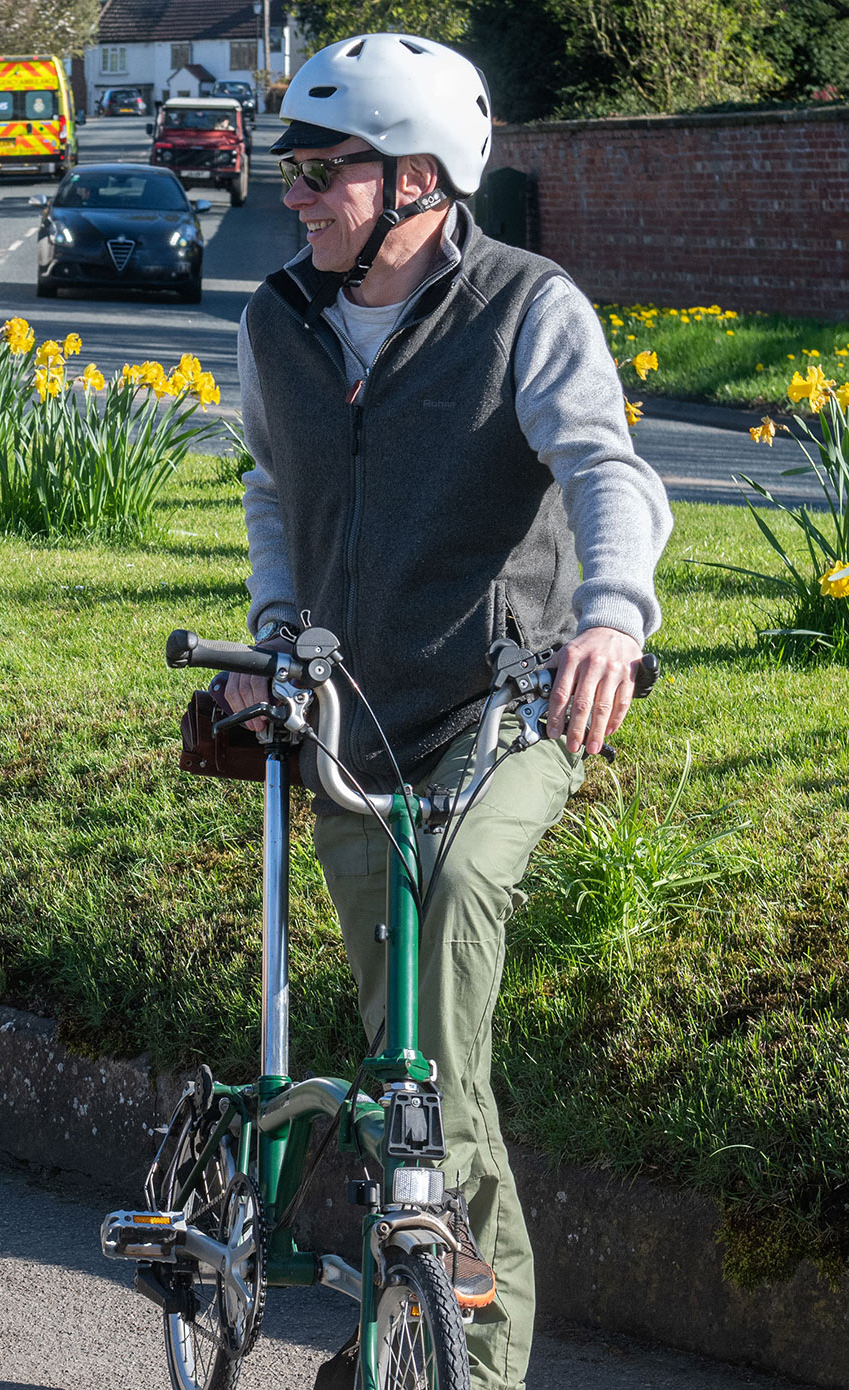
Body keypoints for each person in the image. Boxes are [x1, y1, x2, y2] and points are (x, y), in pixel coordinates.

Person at [224, 33, 673, 1390]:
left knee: (456, 939)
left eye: (323, 171)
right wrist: (273, 638)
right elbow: (267, 489)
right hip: (351, 720)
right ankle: (394, 1328)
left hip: (512, 702)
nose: (293, 194)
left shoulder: (527, 309)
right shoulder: (278, 319)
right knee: (397, 1055)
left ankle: (472, 1361)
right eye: (289, 169)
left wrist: (612, 613)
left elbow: (610, 470)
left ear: (419, 179)